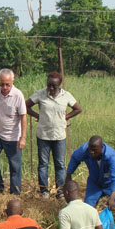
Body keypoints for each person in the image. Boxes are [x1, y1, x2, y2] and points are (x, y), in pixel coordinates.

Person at [26, 71, 82, 200]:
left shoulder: (66, 96)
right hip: (43, 135)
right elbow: (26, 105)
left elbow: (78, 109)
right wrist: (38, 116)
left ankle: (60, 191)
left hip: (59, 136)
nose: (50, 88)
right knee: (43, 164)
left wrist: (65, 117)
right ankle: (44, 191)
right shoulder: (41, 94)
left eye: (54, 86)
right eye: (49, 85)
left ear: (59, 85)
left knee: (60, 164)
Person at [0, 69, 27, 195]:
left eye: (7, 84)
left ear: (12, 82)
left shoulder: (18, 95)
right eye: (2, 84)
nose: (4, 87)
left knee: (15, 166)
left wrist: (23, 137)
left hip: (12, 137)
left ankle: (15, 192)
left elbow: (23, 116)